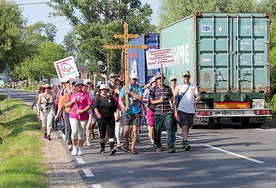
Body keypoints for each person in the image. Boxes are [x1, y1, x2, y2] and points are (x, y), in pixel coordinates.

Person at [149, 72, 177, 153]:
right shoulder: (153, 89)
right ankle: (158, 145)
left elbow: (172, 100)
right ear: (156, 80)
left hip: (167, 112)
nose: (160, 80)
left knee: (170, 128)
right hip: (157, 112)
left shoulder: (168, 88)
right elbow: (151, 102)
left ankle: (170, 146)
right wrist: (159, 101)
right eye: (159, 79)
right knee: (157, 129)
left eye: (162, 78)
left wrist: (175, 112)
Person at [174, 70, 200, 151]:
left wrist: (198, 97)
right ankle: (185, 141)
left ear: (190, 77)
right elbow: (174, 96)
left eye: (187, 76)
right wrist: (174, 108)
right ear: (182, 77)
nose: (186, 78)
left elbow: (197, 93)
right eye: (185, 76)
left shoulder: (193, 86)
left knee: (188, 126)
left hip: (190, 110)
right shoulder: (179, 86)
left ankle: (184, 140)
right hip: (181, 109)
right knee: (184, 126)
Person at [65, 79, 92, 156]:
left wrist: (82, 111)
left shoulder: (85, 94)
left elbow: (89, 105)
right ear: (75, 86)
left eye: (81, 85)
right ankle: (74, 147)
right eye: (78, 85)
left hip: (84, 116)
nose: (80, 86)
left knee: (82, 133)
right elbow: (66, 105)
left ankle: (80, 149)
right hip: (73, 115)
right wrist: (72, 102)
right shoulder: (71, 94)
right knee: (74, 132)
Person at [119, 73, 143, 154]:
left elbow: (140, 98)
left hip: (136, 111)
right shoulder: (124, 88)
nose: (134, 80)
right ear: (130, 79)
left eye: (135, 79)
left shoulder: (138, 88)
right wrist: (123, 107)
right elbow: (120, 99)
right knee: (126, 130)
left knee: (135, 130)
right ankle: (126, 142)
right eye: (132, 79)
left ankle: (133, 147)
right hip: (127, 112)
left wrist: (131, 93)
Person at [93, 84, 119, 155]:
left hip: (110, 118)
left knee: (111, 133)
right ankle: (102, 147)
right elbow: (95, 107)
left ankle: (112, 148)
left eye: (105, 89)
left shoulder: (111, 98)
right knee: (102, 134)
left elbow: (116, 108)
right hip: (101, 118)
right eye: (102, 90)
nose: (103, 91)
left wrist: (117, 114)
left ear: (107, 90)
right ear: (100, 91)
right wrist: (98, 114)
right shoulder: (98, 98)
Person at [55, 80, 75, 150]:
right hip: (67, 111)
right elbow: (61, 105)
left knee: (74, 128)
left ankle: (75, 142)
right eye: (68, 83)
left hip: (75, 113)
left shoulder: (77, 94)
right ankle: (69, 142)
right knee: (68, 126)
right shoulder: (65, 94)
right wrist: (57, 114)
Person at [142, 76, 156, 147]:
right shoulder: (147, 91)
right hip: (149, 109)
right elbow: (143, 100)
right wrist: (147, 106)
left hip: (157, 109)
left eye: (155, 82)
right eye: (153, 82)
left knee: (157, 125)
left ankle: (156, 138)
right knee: (151, 125)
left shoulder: (159, 90)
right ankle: (152, 139)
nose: (155, 84)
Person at [83, 78, 95, 146]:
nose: (86, 86)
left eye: (88, 84)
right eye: (85, 85)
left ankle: (87, 140)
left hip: (89, 111)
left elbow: (93, 103)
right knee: (83, 127)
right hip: (82, 112)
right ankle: (83, 139)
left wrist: (94, 112)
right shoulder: (80, 94)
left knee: (89, 126)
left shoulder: (91, 94)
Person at [113, 78, 124, 148]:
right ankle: (118, 142)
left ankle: (119, 140)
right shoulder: (114, 92)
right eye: (117, 84)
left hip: (123, 110)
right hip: (116, 110)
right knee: (117, 125)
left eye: (120, 84)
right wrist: (106, 78)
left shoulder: (124, 91)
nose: (118, 85)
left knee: (122, 127)